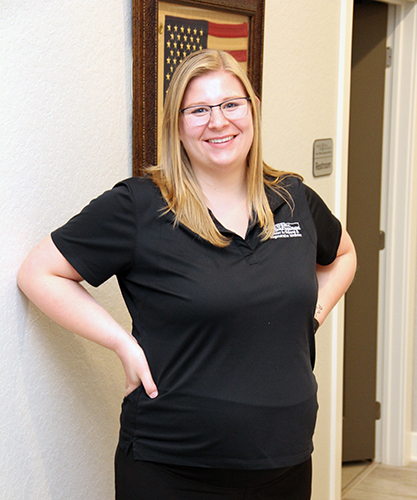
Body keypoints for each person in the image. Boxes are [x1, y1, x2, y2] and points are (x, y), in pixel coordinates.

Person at [18, 49, 356, 500]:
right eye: (198, 110)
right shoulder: (139, 207)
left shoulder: (294, 198)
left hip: (286, 460)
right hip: (173, 467)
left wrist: (311, 315)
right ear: (176, 125)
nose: (218, 121)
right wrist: (121, 343)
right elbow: (39, 272)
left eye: (231, 104)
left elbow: (343, 254)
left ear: (253, 110)